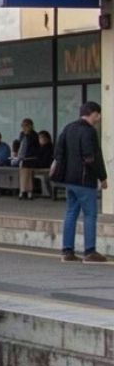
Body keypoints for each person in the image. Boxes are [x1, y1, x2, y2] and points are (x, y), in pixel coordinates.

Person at [53, 102, 107, 263]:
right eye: (98, 114)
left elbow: (58, 152)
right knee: (90, 214)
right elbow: (92, 157)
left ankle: (67, 251)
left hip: (69, 180)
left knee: (71, 213)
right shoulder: (89, 131)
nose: (99, 118)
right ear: (92, 114)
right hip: (85, 180)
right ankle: (90, 251)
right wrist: (102, 177)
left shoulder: (68, 128)